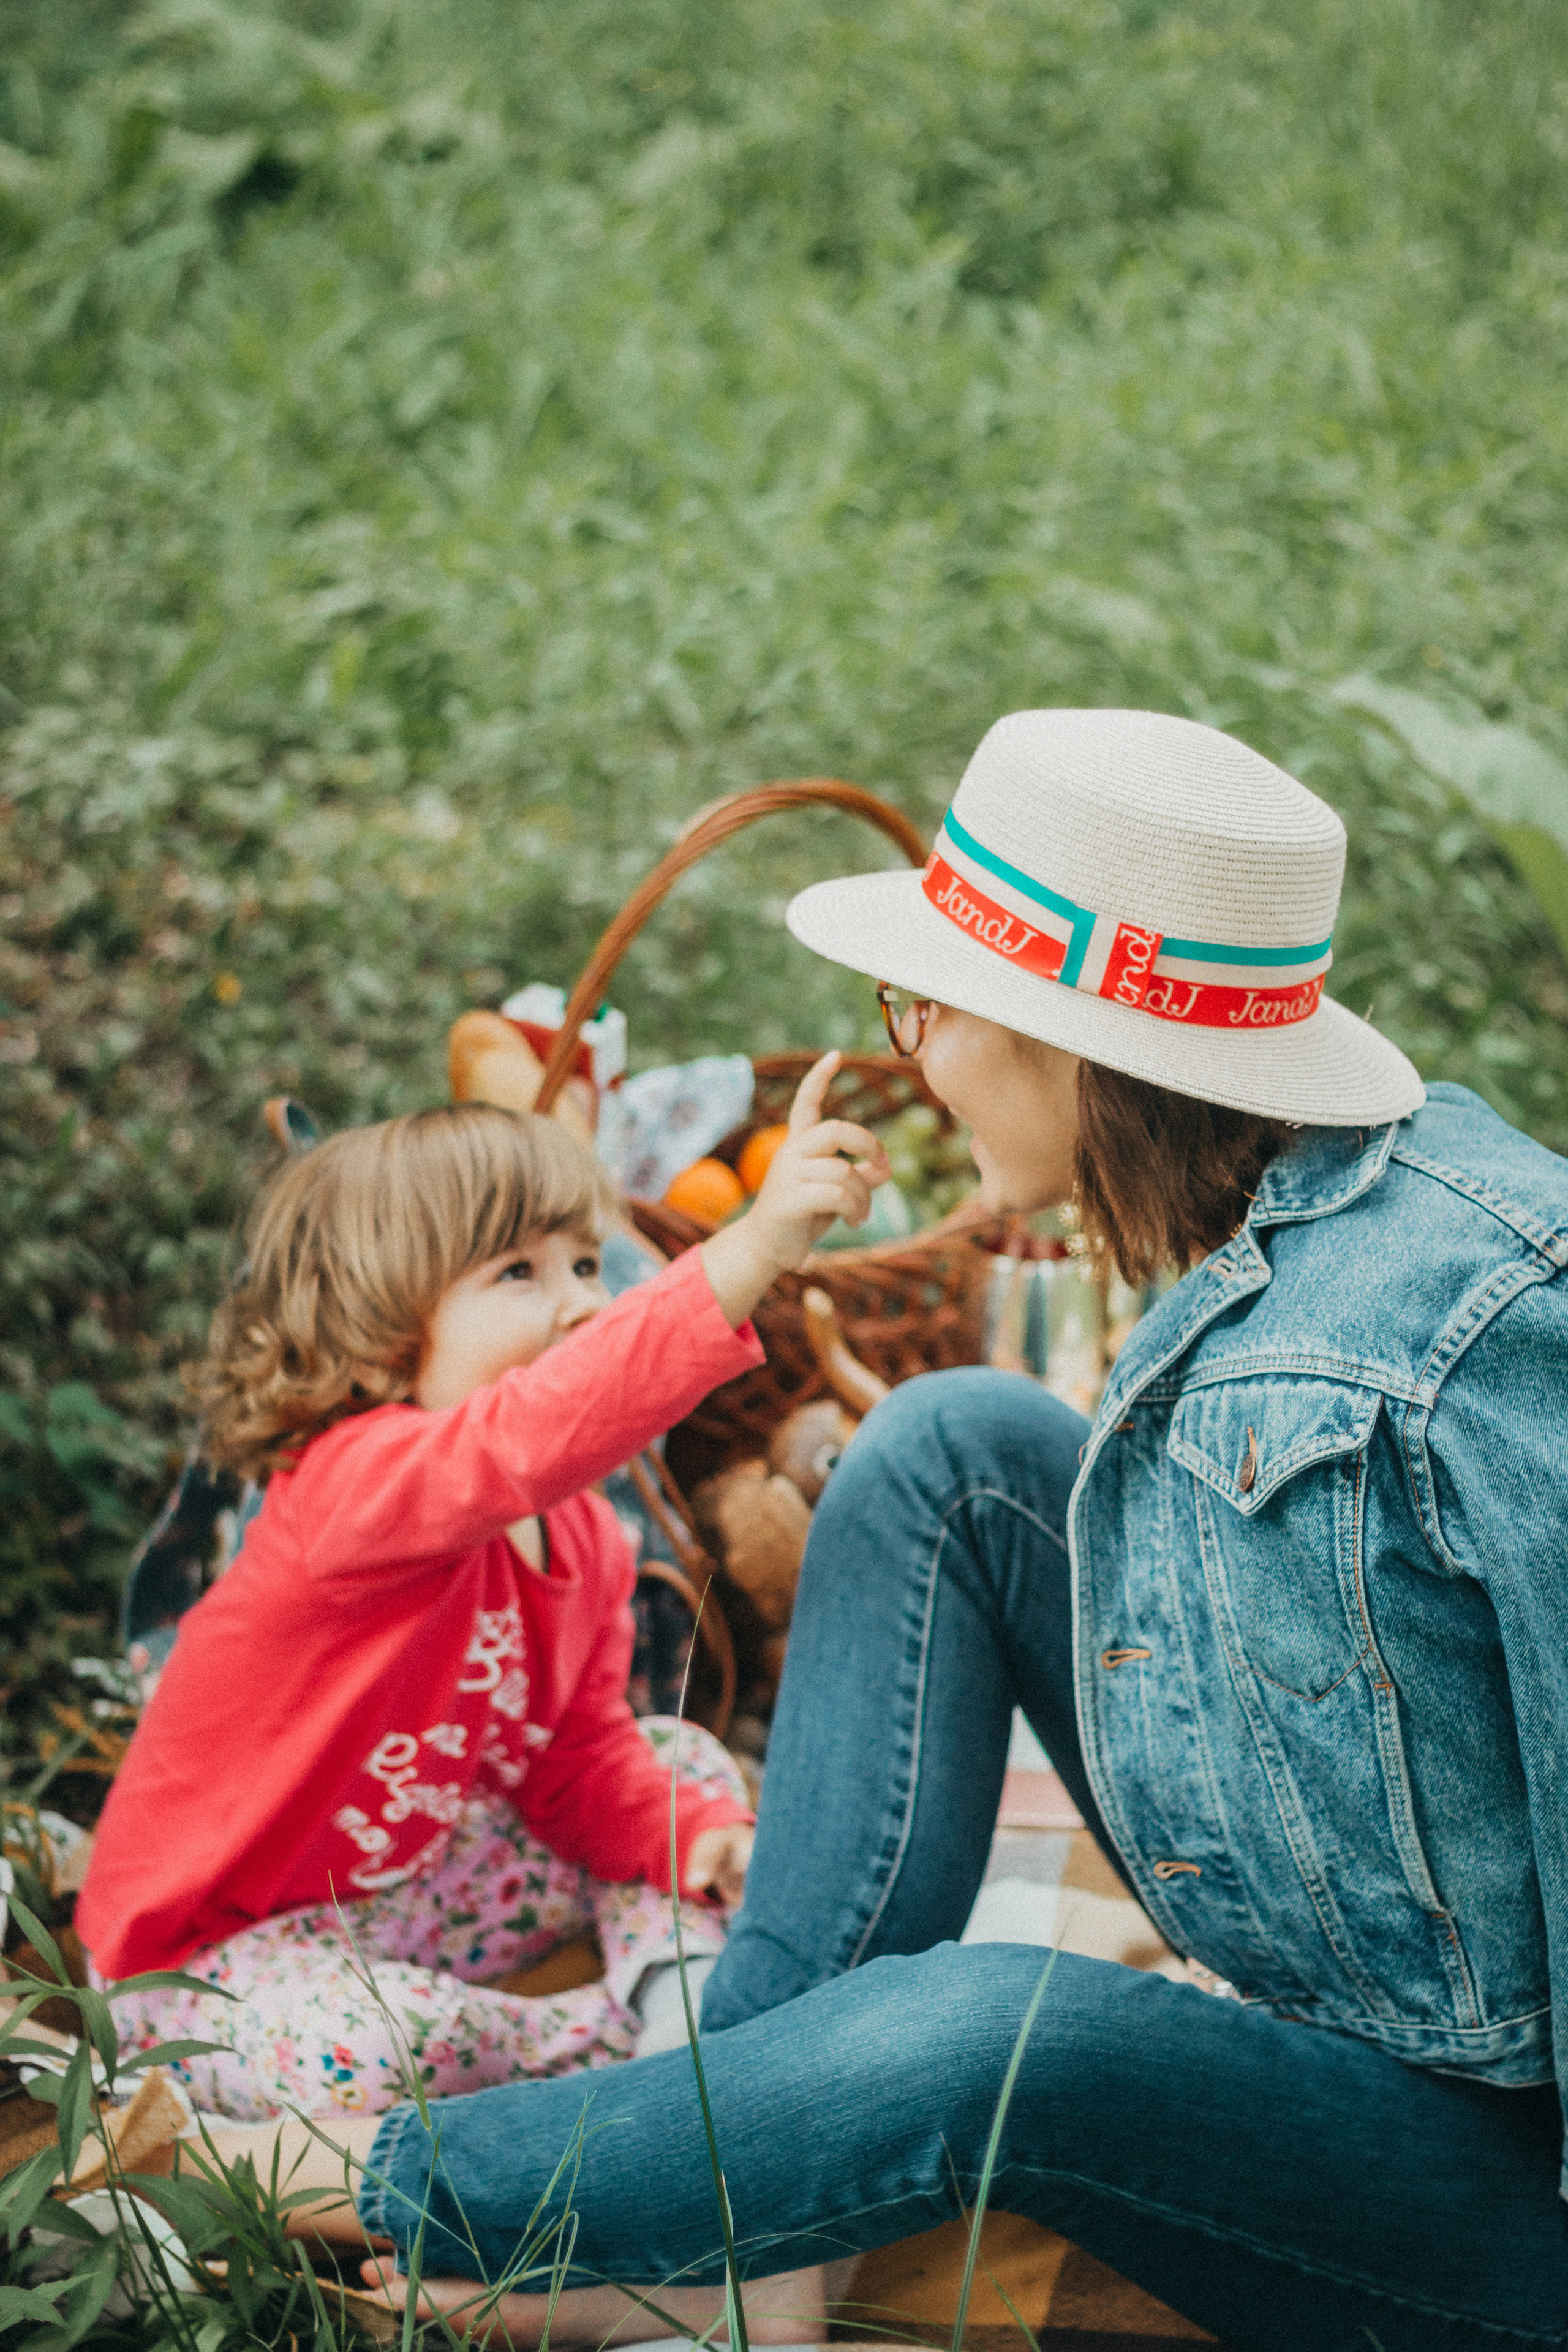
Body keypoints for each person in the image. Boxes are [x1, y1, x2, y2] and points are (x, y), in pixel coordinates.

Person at [168, 711, 1568, 2352]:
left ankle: (355, 2170)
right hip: (1339, 1965)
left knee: (998, 2030)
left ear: (1071, 1042)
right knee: (949, 1445)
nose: (908, 1053)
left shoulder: (1483, 1333)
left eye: (925, 1010)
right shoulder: (1279, 1211)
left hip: (1488, 2169)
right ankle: (726, 2206)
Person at [78, 1075, 891, 2123]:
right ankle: (626, 2050)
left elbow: (574, 1765)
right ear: (379, 1336)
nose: (586, 1302)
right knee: (376, 2050)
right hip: (207, 1956)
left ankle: (682, 2012)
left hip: (405, 1893)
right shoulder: (353, 1488)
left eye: (590, 1263)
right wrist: (751, 1247)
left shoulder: (586, 1538)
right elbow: (528, 1428)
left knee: (679, 1767)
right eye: (519, 1271)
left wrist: (700, 1838)